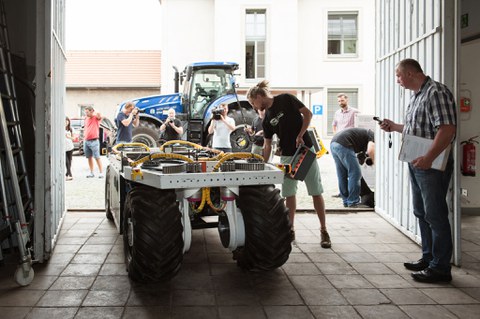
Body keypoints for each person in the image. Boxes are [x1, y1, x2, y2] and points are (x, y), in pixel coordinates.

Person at [379, 58, 456, 283]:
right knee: (421, 213)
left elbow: (447, 129)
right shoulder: (417, 96)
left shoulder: (436, 93)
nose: (397, 81)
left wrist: (429, 158)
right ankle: (429, 258)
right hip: (418, 162)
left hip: (430, 164)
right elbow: (419, 128)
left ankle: (440, 268)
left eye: (399, 76)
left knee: (436, 215)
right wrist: (394, 127)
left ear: (411, 73)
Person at [247, 80, 331, 248]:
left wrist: (300, 134)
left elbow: (307, 114)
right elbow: (267, 145)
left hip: (305, 151)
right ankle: (290, 229)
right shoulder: (267, 120)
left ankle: (324, 230)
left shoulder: (286, 99)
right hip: (286, 157)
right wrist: (263, 163)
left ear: (258, 96)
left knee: (315, 191)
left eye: (252, 103)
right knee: (289, 194)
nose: (254, 107)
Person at [330, 127, 375, 208]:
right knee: (355, 174)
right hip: (344, 144)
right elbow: (370, 150)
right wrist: (374, 163)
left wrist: (364, 159)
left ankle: (346, 201)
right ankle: (353, 202)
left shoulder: (363, 137)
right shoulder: (372, 135)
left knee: (342, 175)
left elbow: (360, 158)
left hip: (334, 143)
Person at [83, 106, 104, 178]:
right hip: (86, 140)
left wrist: (95, 110)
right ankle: (91, 172)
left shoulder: (96, 118)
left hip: (94, 141)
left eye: (87, 112)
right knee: (89, 157)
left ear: (92, 111)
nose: (86, 114)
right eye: (85, 112)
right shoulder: (86, 118)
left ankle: (101, 172)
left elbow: (99, 115)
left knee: (97, 157)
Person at [65, 117, 74, 181]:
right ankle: (70, 174)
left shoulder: (70, 129)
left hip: (70, 147)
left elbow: (73, 138)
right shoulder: (61, 128)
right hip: (64, 148)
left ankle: (67, 173)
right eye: (65, 121)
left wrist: (69, 137)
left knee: (70, 160)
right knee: (66, 161)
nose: (66, 122)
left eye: (67, 121)